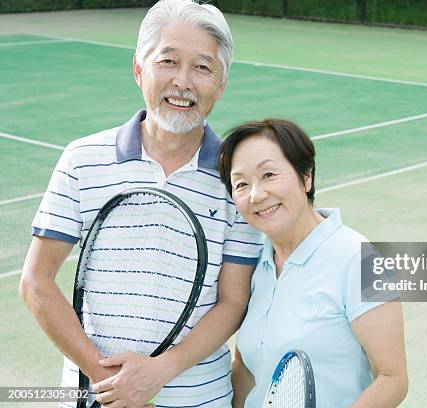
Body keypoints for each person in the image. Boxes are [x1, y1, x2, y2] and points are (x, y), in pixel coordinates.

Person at [18, 1, 263, 407]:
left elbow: (233, 301)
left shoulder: (238, 179)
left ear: (221, 85)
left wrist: (157, 374)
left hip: (200, 398)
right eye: (168, 61)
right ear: (138, 69)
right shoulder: (81, 159)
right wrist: (109, 382)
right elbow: (36, 282)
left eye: (203, 68)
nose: (183, 82)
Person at [218, 119, 408, 407]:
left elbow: (392, 378)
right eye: (241, 184)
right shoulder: (256, 264)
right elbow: (244, 364)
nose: (256, 195)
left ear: (306, 177)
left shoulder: (362, 258)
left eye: (268, 174)